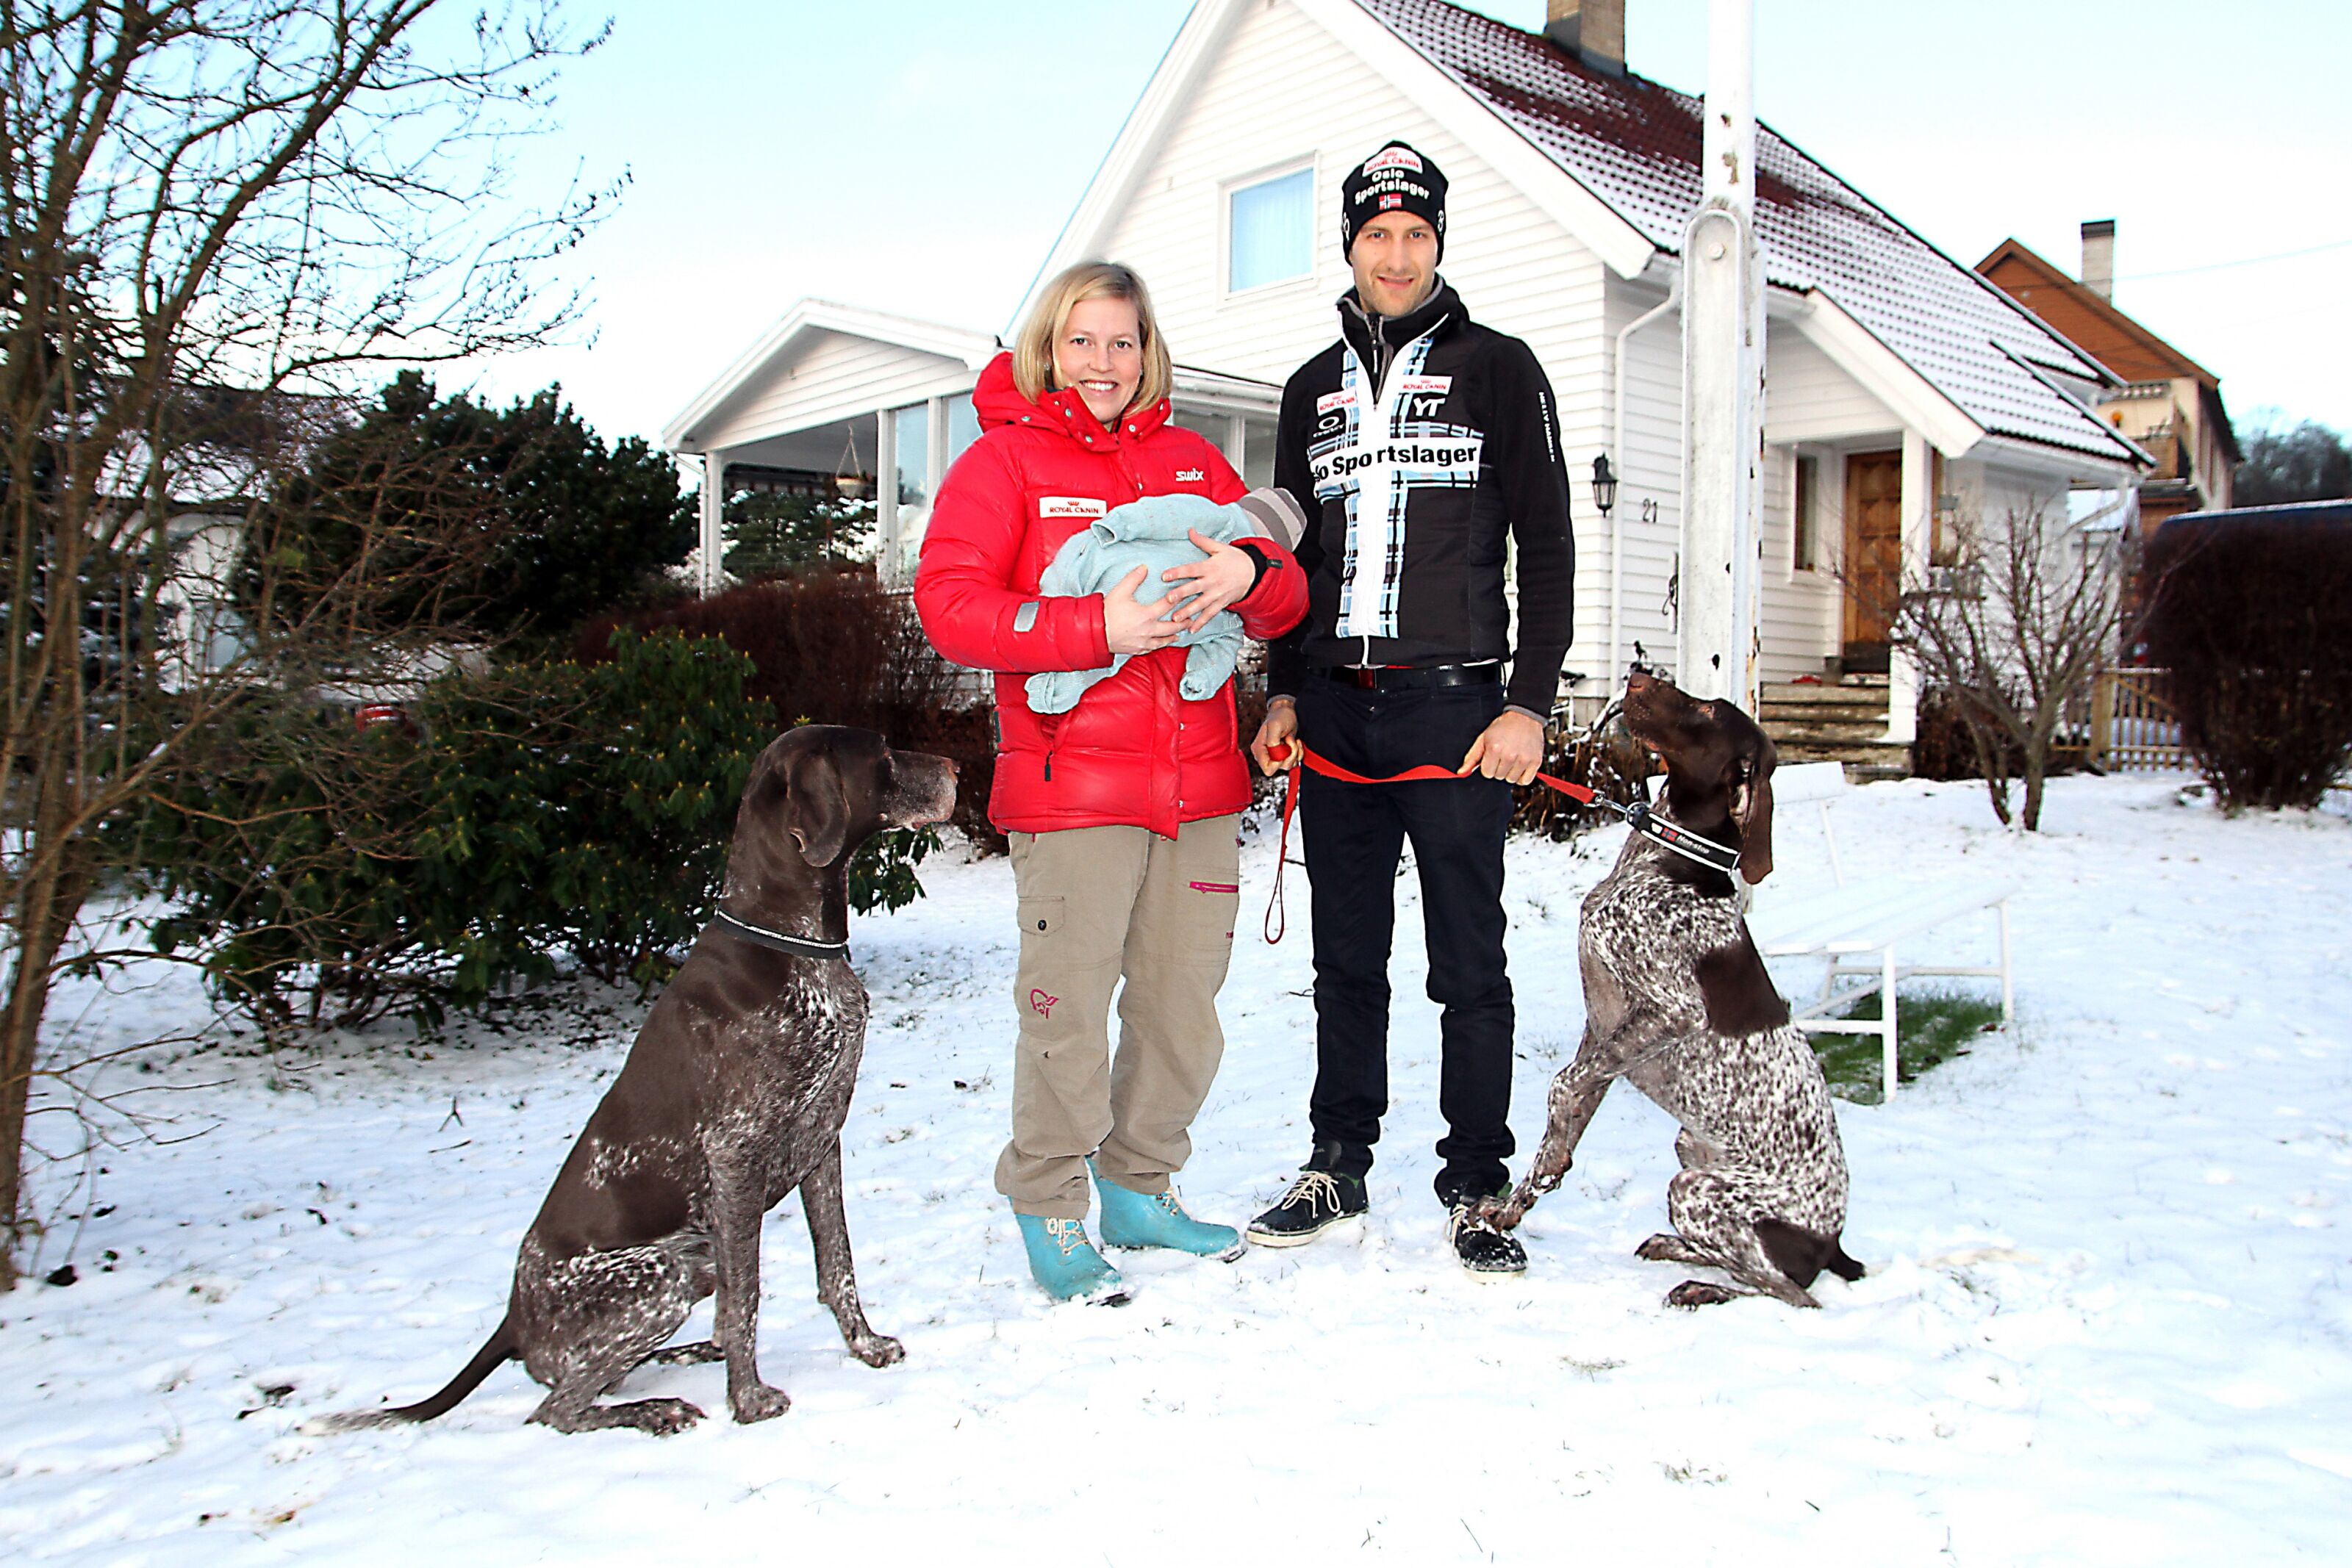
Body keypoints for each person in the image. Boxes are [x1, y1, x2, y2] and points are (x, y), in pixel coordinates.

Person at [915, 261, 1307, 1304]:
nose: (1103, 362)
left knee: (1184, 1008)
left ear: (1147, 352)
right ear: (1050, 345)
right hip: (1072, 790)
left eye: (1122, 342)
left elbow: (1286, 590)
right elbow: (950, 605)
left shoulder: (1193, 461)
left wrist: (1251, 574)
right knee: (1068, 1008)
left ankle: (1139, 1187)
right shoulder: (1001, 465)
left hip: (1203, 789)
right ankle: (1049, 1201)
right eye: (1082, 340)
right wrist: (1098, 627)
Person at [1244, 141, 1574, 1275]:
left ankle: (1478, 1180)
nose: (1395, 254)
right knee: (1346, 957)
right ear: (1349, 244)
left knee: (1468, 963)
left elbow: (1553, 547)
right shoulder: (1306, 389)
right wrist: (1284, 685)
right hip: (1336, 712)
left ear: (1439, 243)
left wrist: (1530, 702)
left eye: (1415, 235)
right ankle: (1338, 1158)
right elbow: (1292, 560)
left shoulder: (1500, 367)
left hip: (1456, 713)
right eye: (1376, 235)